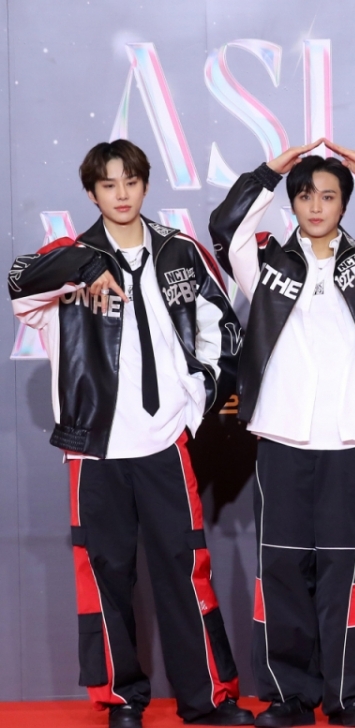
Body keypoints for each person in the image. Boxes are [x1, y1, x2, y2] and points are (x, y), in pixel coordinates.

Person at [7, 140, 250, 728]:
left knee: (186, 571)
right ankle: (122, 700)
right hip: (95, 448)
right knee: (105, 575)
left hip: (166, 441)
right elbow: (19, 283)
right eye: (108, 184)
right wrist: (86, 267)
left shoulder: (179, 251)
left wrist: (196, 399)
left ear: (145, 184)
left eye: (131, 182)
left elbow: (223, 329)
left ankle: (207, 698)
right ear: (91, 193)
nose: (121, 194)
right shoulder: (68, 259)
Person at [209, 139, 355, 727]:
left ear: (344, 203)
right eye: (306, 195)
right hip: (282, 438)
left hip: (353, 440)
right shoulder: (264, 262)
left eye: (329, 196)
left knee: (349, 571)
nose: (316, 206)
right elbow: (226, 227)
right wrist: (268, 172)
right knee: (282, 569)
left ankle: (348, 694)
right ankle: (288, 696)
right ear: (292, 202)